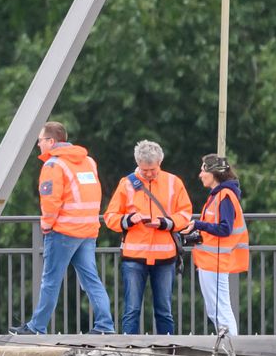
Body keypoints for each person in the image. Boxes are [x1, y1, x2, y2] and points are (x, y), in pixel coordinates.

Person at [11, 121, 114, 336]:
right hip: (87, 230)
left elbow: (50, 200)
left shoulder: (53, 165)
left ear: (51, 141)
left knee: (50, 280)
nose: (38, 145)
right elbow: (95, 193)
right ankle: (105, 326)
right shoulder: (88, 162)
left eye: (40, 141)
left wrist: (47, 226)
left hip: (64, 231)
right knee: (90, 279)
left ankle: (36, 328)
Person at [102, 140, 193, 335]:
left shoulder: (173, 182)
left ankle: (168, 352)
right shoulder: (126, 184)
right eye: (145, 170)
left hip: (165, 257)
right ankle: (129, 354)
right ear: (137, 164)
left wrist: (165, 222)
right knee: (131, 310)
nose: (150, 173)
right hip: (135, 256)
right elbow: (110, 217)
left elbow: (185, 214)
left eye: (153, 169)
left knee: (164, 311)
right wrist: (129, 219)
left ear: (160, 162)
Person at [191, 153, 249, 336]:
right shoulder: (220, 195)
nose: (200, 175)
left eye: (203, 170)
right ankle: (229, 349)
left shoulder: (224, 195)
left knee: (220, 310)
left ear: (213, 173)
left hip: (215, 261)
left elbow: (225, 229)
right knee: (216, 309)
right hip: (211, 260)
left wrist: (197, 225)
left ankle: (232, 351)